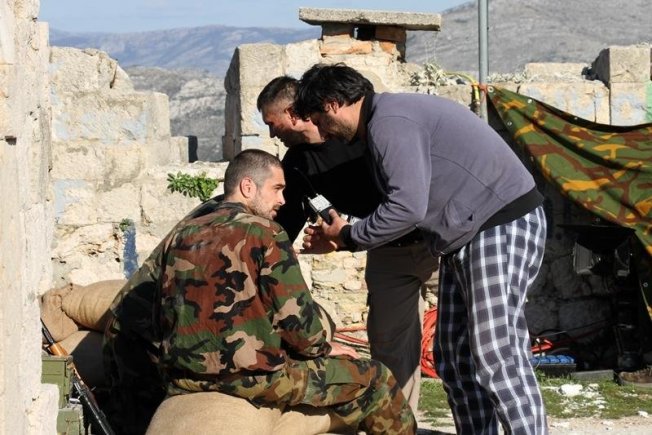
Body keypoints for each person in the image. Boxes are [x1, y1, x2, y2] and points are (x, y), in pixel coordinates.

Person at [294, 63, 548, 435]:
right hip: (464, 238)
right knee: (454, 358)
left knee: (496, 352)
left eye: (320, 120)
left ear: (332, 104)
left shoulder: (389, 122)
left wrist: (348, 236)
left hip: (498, 223)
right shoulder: (384, 122)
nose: (323, 132)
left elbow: (407, 207)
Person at [105, 149, 416, 435]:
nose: (282, 200)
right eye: (277, 189)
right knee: (377, 380)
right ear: (248, 187)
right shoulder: (266, 233)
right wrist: (324, 348)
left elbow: (161, 312)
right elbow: (298, 322)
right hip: (254, 378)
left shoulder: (183, 234)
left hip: (182, 377)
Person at [257, 75, 439, 412]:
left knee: (468, 336)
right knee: (389, 346)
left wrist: (344, 238)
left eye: (272, 123)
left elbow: (406, 195)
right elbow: (285, 226)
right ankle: (398, 424)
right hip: (387, 253)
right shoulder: (296, 164)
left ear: (292, 113)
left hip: (437, 240)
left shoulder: (364, 136)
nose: (271, 134)